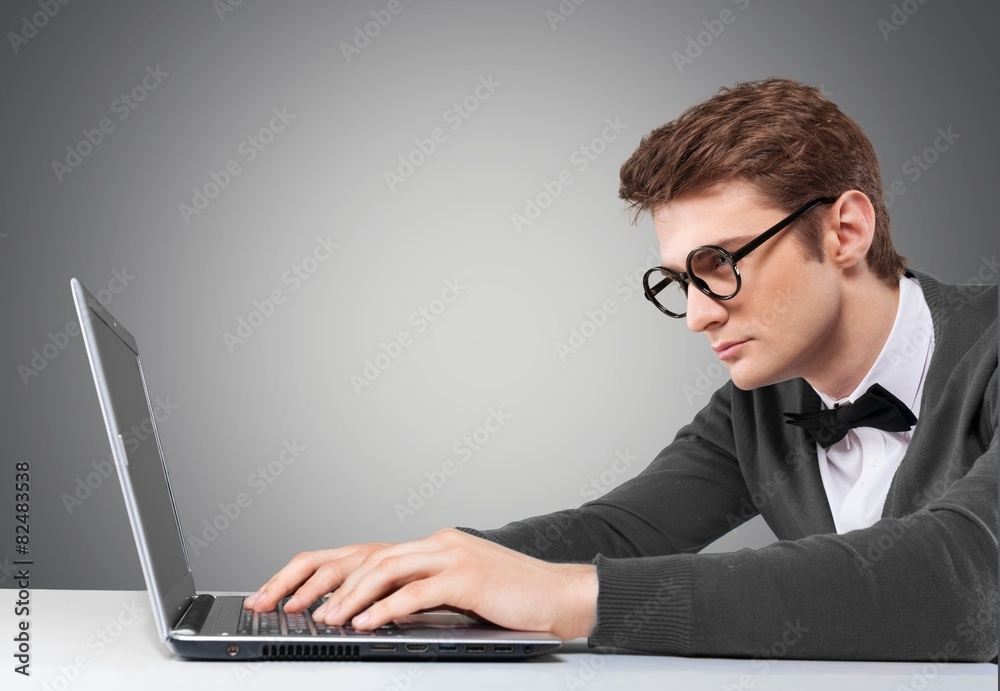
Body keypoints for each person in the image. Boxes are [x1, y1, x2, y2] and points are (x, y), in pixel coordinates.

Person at [245, 78, 998, 662]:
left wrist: (579, 598)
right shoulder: (761, 403)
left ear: (846, 229)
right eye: (681, 281)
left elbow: (965, 582)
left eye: (721, 265)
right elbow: (623, 530)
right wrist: (422, 568)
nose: (700, 314)